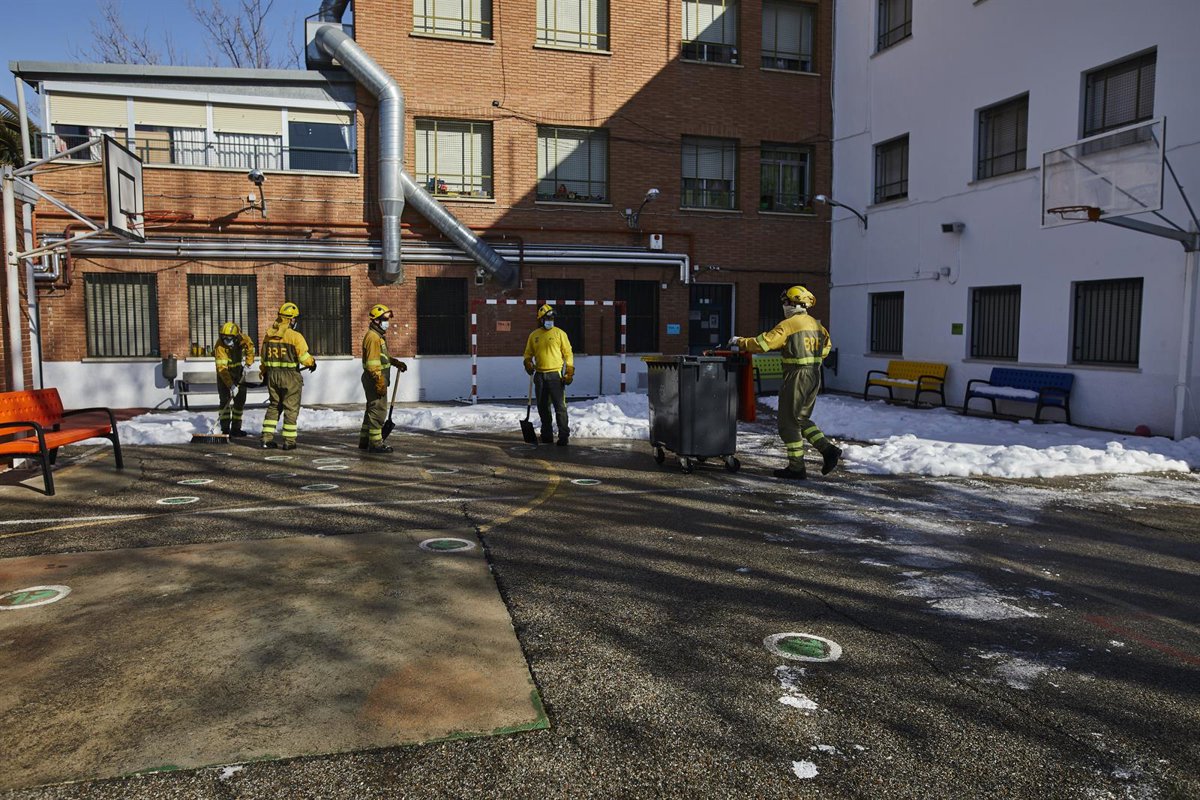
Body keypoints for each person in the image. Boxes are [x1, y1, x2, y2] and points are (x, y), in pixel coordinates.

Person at [730, 285, 841, 479]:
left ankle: (797, 468)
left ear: (793, 303)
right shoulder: (817, 325)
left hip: (797, 376)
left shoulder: (789, 324)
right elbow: (826, 349)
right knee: (801, 419)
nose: (784, 306)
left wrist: (740, 342)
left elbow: (764, 344)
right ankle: (828, 450)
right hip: (814, 374)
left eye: (785, 302)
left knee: (788, 422)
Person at [260, 301, 316, 450]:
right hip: (290, 378)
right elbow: (304, 358)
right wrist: (312, 363)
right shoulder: (295, 337)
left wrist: (264, 373)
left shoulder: (269, 335)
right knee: (290, 408)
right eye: (294, 318)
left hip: (272, 376)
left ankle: (266, 438)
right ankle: (289, 441)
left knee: (274, 406)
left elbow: (263, 358)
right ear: (291, 319)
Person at [523, 303, 574, 446]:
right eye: (547, 318)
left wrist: (569, 370)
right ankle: (547, 436)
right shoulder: (534, 335)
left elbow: (568, 353)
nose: (550, 321)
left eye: (551, 318)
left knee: (560, 407)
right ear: (541, 320)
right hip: (540, 376)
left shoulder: (560, 334)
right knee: (543, 408)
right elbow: (528, 353)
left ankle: (563, 436)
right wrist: (528, 363)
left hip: (555, 375)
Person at [359, 303, 407, 454]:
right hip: (375, 379)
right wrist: (379, 381)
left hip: (377, 378)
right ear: (376, 320)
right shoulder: (373, 338)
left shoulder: (378, 336)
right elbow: (372, 364)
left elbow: (382, 357)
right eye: (385, 319)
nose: (387, 322)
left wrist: (395, 362)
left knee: (371, 410)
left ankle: (365, 440)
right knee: (378, 411)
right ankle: (376, 443)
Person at [213, 321, 256, 437]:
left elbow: (250, 348)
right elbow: (222, 368)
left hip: (239, 373)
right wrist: (231, 385)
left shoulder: (243, 339)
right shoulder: (220, 346)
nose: (226, 341)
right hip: (224, 375)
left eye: (229, 338)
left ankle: (236, 428)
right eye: (224, 337)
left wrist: (248, 364)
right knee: (225, 400)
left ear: (236, 336)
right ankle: (225, 429)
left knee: (240, 400)